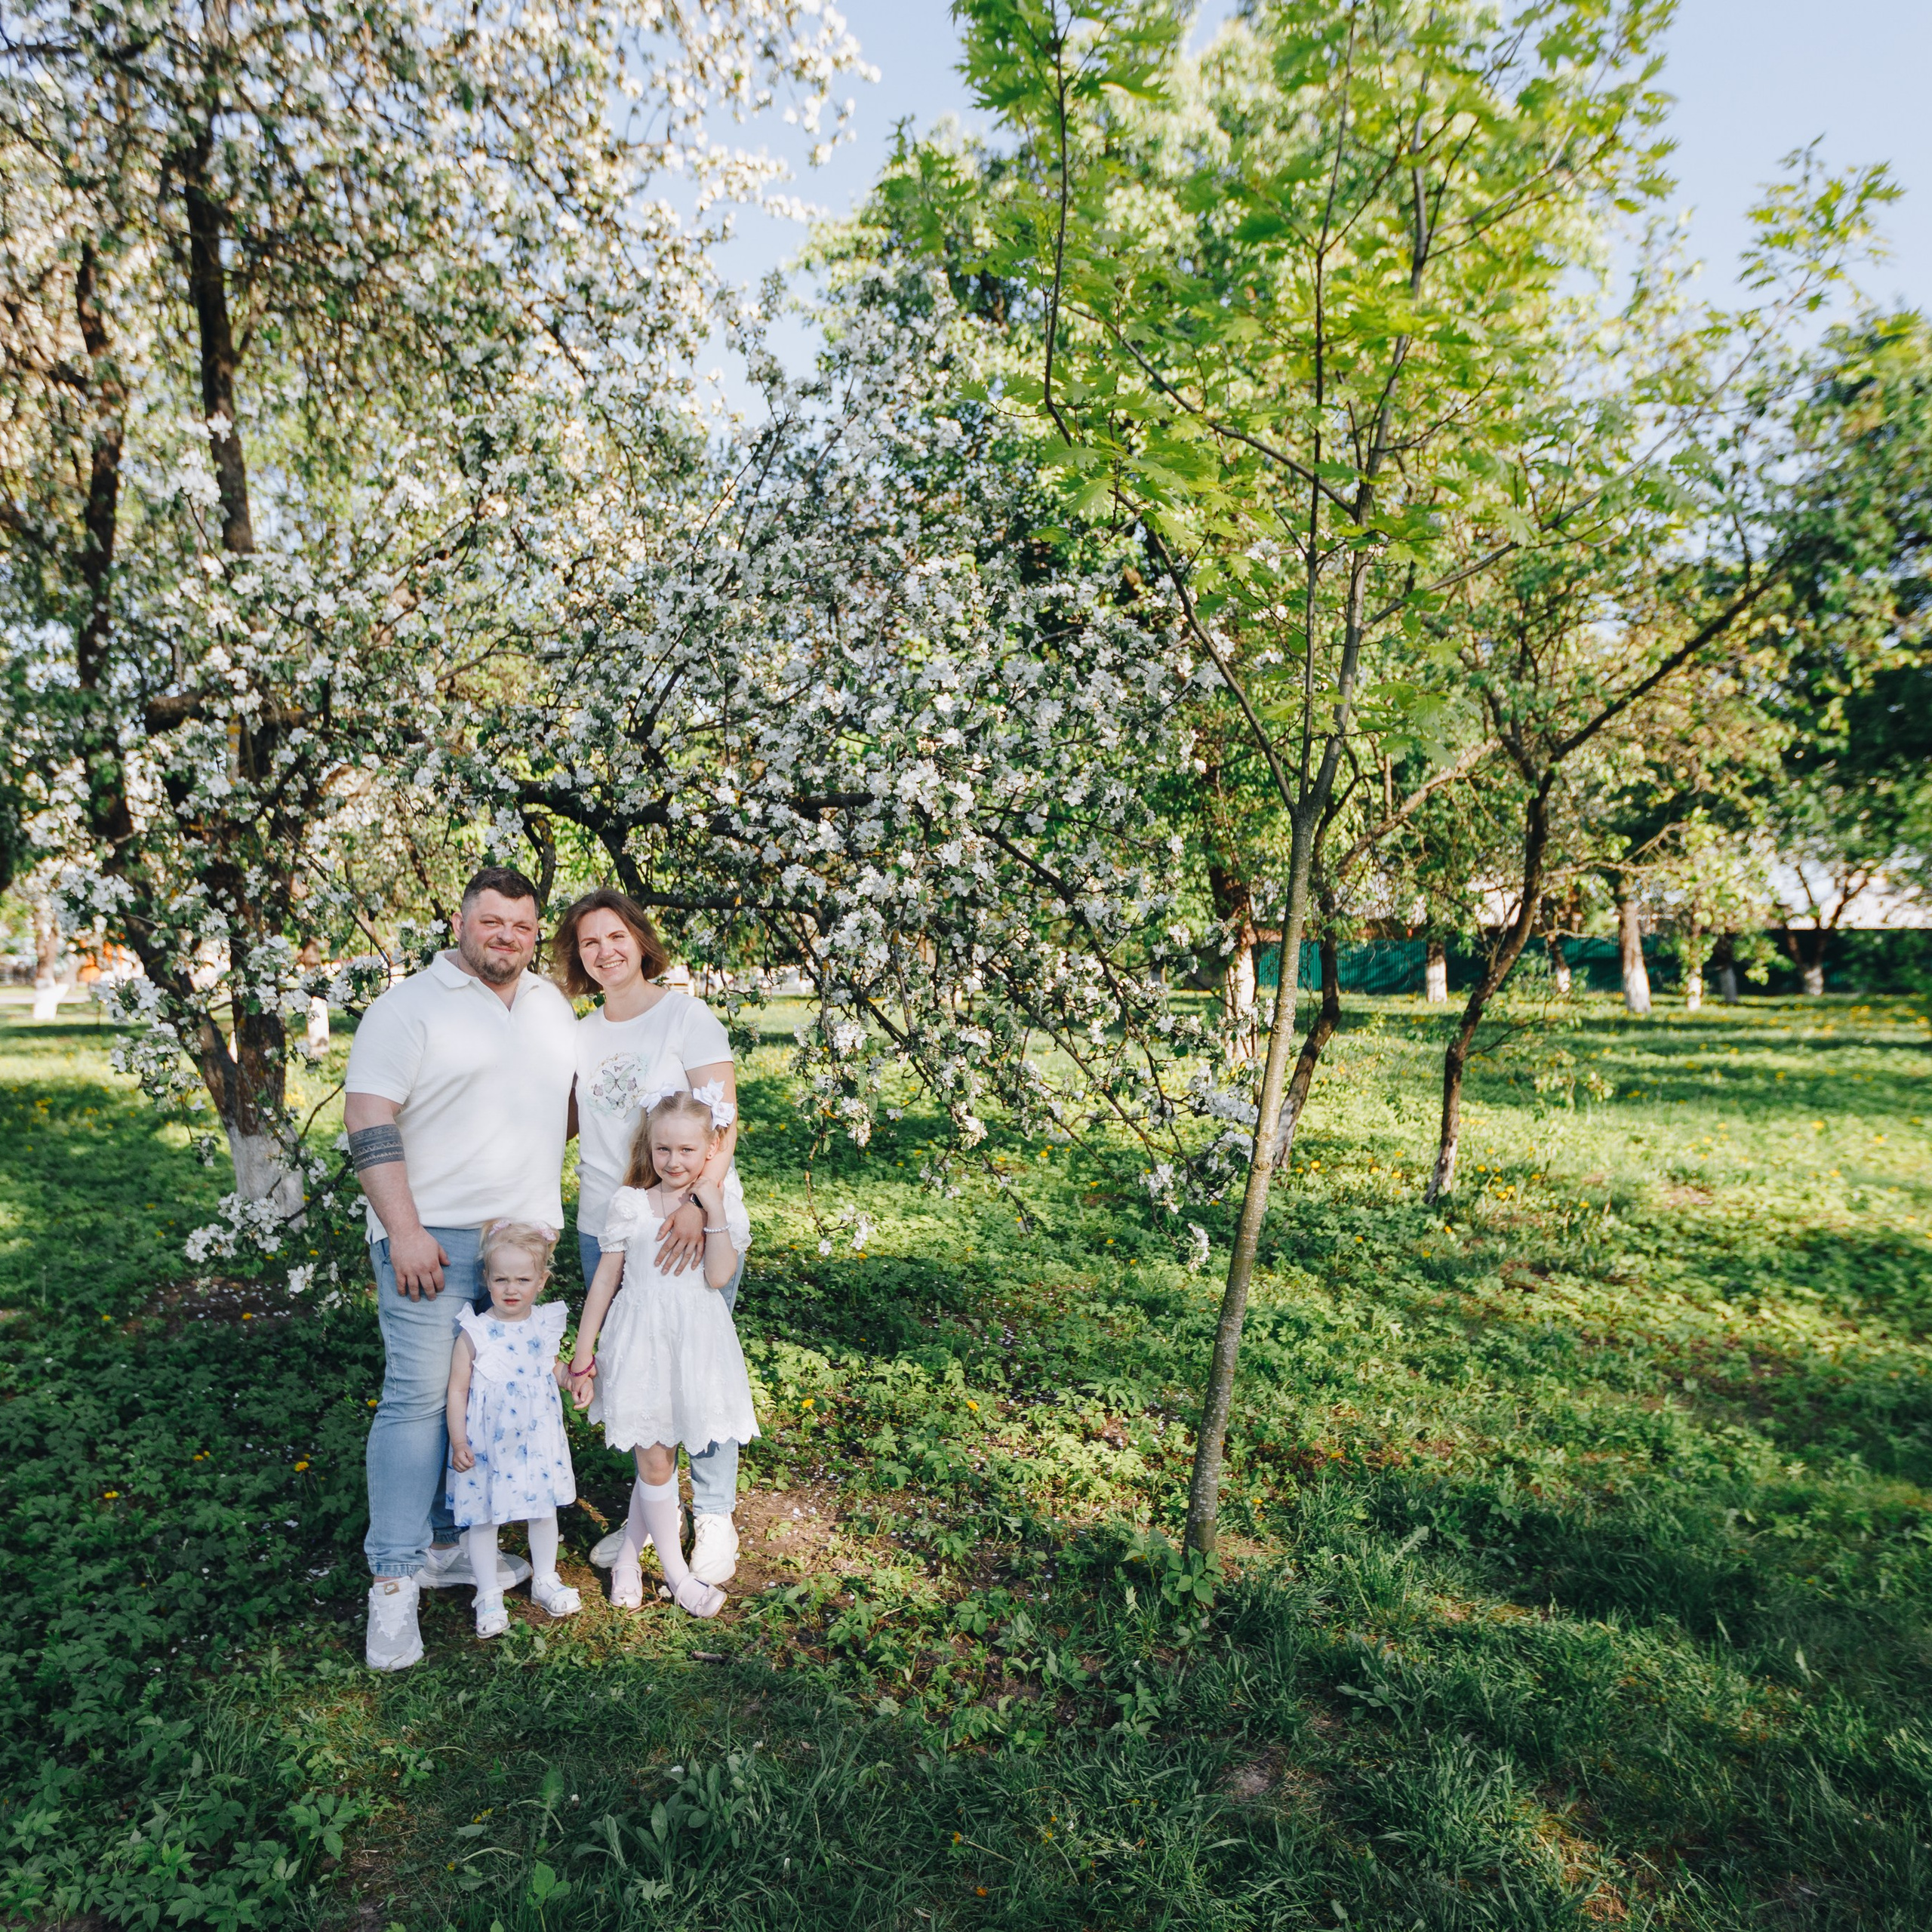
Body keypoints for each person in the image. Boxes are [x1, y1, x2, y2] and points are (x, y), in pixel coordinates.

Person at [346, 866, 580, 1672]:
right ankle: (392, 1579)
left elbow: (565, 1104)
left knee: (487, 1395)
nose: (506, 937)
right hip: (434, 1238)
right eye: (491, 922)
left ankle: (446, 1546)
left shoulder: (550, 1004)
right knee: (419, 1400)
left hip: (522, 1242)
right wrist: (404, 1229)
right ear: (459, 922)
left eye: (522, 925)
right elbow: (367, 1116)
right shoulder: (407, 1007)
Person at [552, 888, 747, 1586]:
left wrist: (699, 1204)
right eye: (589, 942)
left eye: (616, 936)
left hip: (693, 1221)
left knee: (700, 1365)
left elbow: (723, 1123)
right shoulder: (579, 1036)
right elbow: (558, 1124)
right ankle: (647, 1518)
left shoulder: (686, 1017)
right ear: (578, 957)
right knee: (637, 1370)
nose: (605, 951)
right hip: (612, 1225)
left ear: (640, 940)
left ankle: (715, 1514)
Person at [568, 1090, 757, 1618]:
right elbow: (604, 1284)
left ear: (711, 1149)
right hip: (641, 1343)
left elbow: (718, 1276)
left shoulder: (719, 1206)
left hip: (694, 1345)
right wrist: (583, 1354)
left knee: (662, 1453)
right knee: (653, 1458)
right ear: (648, 1148)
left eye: (687, 1151)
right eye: (663, 1150)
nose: (674, 1162)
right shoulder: (630, 1205)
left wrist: (712, 1208)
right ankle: (678, 1576)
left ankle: (629, 1561)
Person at [446, 1220, 581, 1638]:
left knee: (543, 1509)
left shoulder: (543, 1325)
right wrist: (458, 1440)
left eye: (522, 1279)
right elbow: (458, 1389)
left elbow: (551, 1367)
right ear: (486, 1278)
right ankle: (488, 1592)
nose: (511, 1289)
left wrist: (572, 1378)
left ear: (541, 1281)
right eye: (501, 1278)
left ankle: (545, 1579)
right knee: (483, 1517)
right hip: (487, 1444)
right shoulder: (475, 1332)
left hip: (537, 1440)